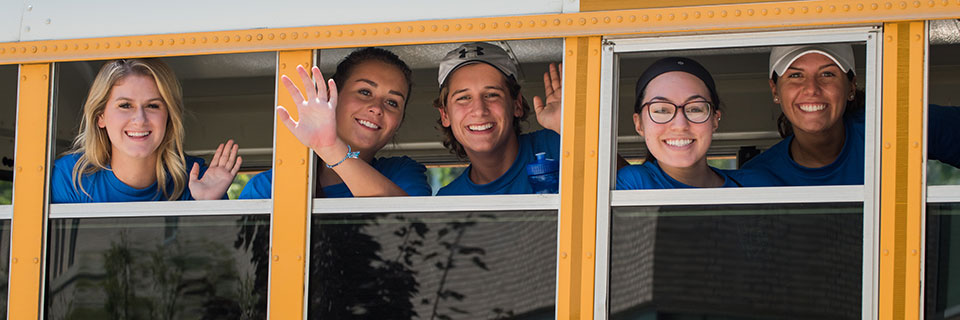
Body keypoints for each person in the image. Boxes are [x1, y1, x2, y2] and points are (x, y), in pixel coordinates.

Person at [742, 43, 960, 185]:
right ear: (775, 90)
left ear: (851, 87)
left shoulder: (893, 128)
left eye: (827, 74)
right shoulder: (757, 175)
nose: (811, 89)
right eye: (796, 75)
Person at [240, 47, 430, 199]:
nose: (377, 108)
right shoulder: (269, 187)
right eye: (364, 92)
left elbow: (410, 223)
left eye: (392, 103)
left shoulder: (401, 172)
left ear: (399, 121)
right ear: (333, 97)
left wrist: (330, 149)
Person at [51, 59, 241, 203]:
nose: (140, 120)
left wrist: (206, 207)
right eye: (125, 105)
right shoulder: (71, 177)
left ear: (168, 116)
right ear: (100, 116)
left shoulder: (197, 180)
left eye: (153, 106)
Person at [616, 57, 777, 189]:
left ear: (715, 120)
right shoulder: (633, 183)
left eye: (695, 109)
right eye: (662, 111)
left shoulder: (755, 185)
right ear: (639, 124)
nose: (680, 125)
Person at [432, 42, 562, 195]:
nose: (479, 110)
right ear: (445, 115)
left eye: (492, 95)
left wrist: (569, 126)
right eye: (464, 98)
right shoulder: (449, 198)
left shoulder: (561, 142)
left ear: (517, 105)